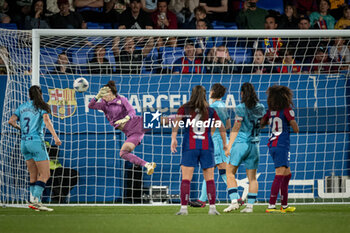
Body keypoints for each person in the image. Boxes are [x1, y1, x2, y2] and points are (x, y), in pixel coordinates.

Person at [171, 85, 227, 215]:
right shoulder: (210, 110)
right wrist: (225, 144)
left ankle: (183, 209)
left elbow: (176, 123)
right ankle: (212, 209)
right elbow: (222, 127)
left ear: (192, 94)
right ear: (205, 95)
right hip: (206, 147)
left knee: (186, 179)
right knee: (210, 179)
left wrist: (173, 139)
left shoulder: (184, 108)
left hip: (190, 147)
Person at [8, 85, 62, 211]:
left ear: (29, 95)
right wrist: (56, 137)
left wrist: (20, 128)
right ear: (41, 94)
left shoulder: (22, 107)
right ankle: (36, 201)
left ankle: (33, 202)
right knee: (45, 174)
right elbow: (47, 122)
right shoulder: (42, 106)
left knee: (33, 174)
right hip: (36, 142)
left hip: (24, 143)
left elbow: (11, 121)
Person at [88, 81, 156, 175]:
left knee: (166, 120)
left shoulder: (122, 99)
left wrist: (126, 118)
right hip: (133, 134)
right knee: (123, 153)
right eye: (102, 93)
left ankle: (183, 116)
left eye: (105, 92)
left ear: (111, 92)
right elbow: (90, 105)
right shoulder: (104, 105)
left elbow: (132, 111)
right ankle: (148, 165)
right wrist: (97, 96)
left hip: (139, 122)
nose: (104, 95)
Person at [188, 84, 234, 208]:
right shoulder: (223, 105)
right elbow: (228, 125)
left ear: (213, 92)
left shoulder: (213, 107)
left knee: (223, 170)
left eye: (211, 91)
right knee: (210, 170)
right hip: (221, 139)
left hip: (216, 141)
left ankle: (236, 198)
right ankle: (202, 200)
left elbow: (214, 126)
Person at [224, 82, 265, 213]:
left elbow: (236, 126)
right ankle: (249, 207)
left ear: (242, 93)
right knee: (252, 178)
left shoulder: (241, 107)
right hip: (255, 144)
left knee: (229, 172)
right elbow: (263, 123)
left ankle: (234, 202)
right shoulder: (261, 107)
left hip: (241, 143)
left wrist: (229, 145)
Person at [261, 85, 299, 213]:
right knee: (279, 175)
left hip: (273, 145)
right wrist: (293, 124)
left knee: (287, 174)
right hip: (281, 145)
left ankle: (284, 205)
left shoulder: (270, 111)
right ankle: (271, 205)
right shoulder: (287, 110)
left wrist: (269, 121)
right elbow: (295, 128)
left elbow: (261, 124)